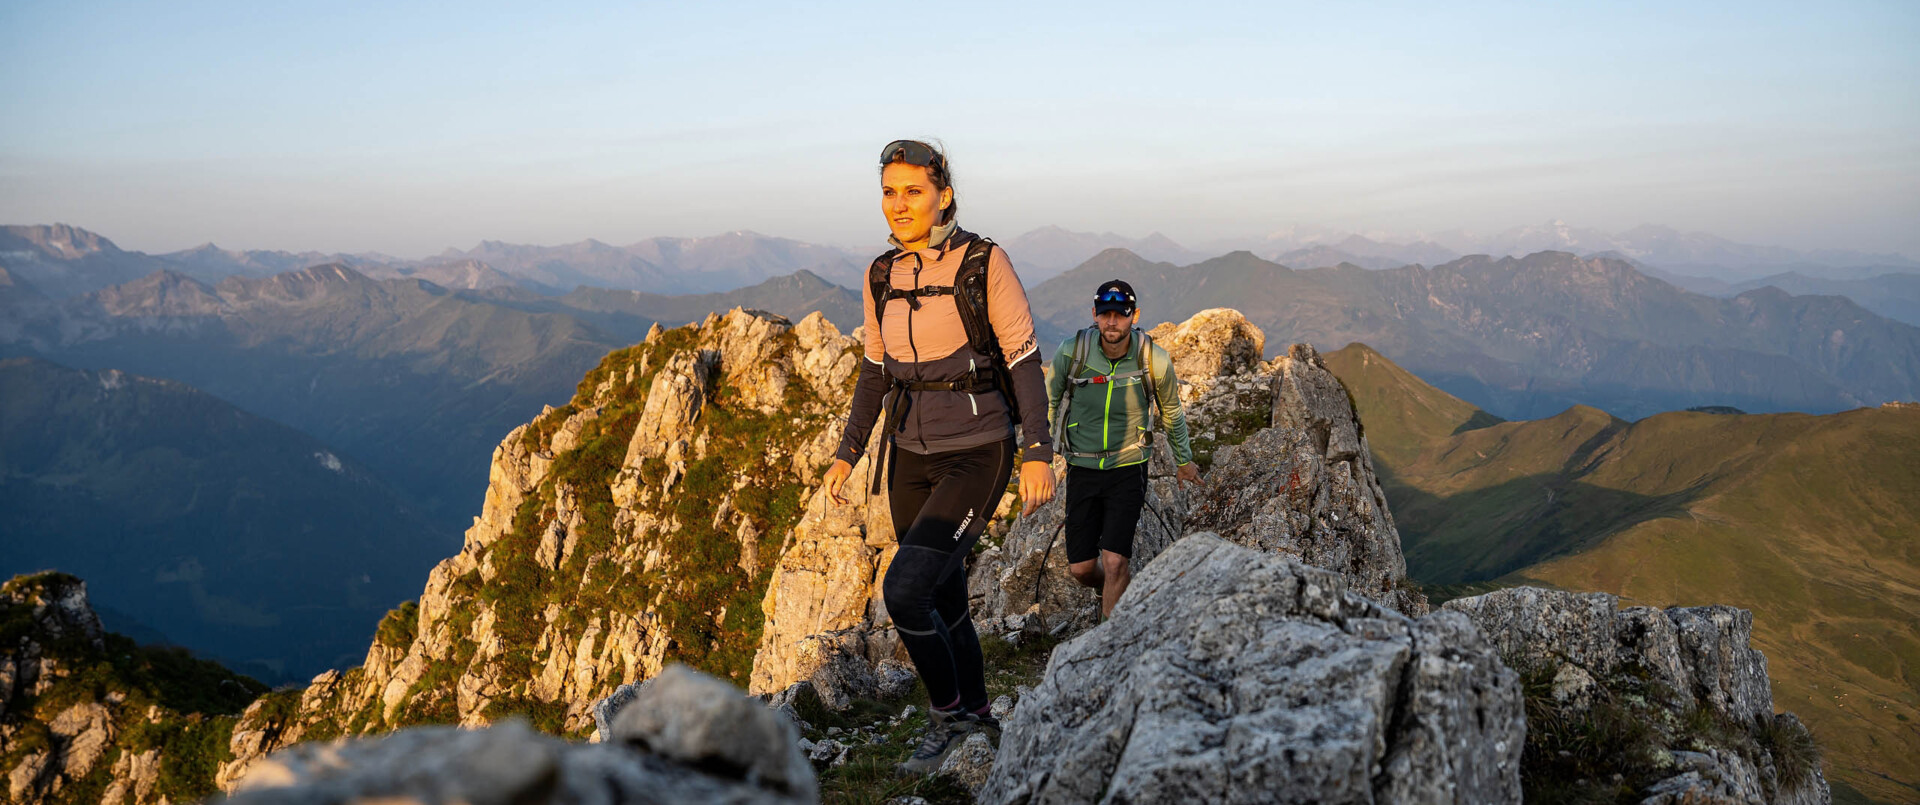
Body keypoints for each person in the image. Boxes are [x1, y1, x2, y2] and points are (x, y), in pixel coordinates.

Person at [821, 139, 1056, 775]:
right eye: (889, 192)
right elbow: (874, 370)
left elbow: (1024, 360)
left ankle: (947, 714)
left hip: (978, 452)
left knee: (905, 589)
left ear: (943, 194)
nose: (899, 205)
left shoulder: (983, 263)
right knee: (944, 594)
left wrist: (1038, 450)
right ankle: (978, 712)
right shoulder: (879, 274)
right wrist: (848, 453)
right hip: (907, 455)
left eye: (913, 191)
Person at [1047, 279, 1201, 619]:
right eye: (1105, 314)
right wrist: (1042, 457)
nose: (1112, 322)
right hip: (1081, 467)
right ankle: (1117, 590)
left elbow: (1172, 411)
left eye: (1121, 315)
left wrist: (1184, 460)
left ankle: (1110, 642)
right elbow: (1051, 402)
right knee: (1082, 569)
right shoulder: (1072, 353)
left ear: (1135, 315)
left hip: (1128, 468)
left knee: (1116, 561)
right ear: (1095, 315)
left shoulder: (1153, 360)